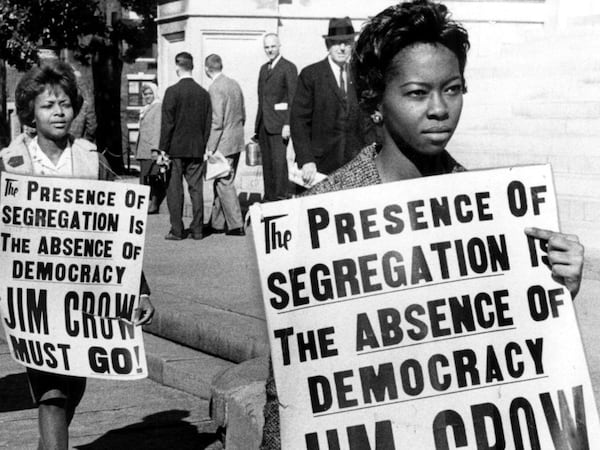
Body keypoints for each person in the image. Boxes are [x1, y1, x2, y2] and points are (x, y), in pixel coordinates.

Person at [260, 2, 585, 448]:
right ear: (375, 101)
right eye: (417, 93)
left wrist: (554, 290)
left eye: (452, 89)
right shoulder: (321, 215)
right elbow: (293, 390)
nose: (439, 108)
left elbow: (522, 363)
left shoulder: (496, 212)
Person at [0, 60, 155, 450]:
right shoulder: (9, 164)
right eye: (48, 105)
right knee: (51, 392)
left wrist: (140, 288)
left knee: (73, 385)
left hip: (84, 295)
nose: (58, 112)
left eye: (65, 104)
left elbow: (121, 229)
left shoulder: (91, 159)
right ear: (30, 113)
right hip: (33, 298)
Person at [291, 16, 375, 187]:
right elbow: (299, 121)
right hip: (320, 166)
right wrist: (306, 160)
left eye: (347, 42)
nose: (342, 48)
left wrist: (370, 153)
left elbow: (367, 117)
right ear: (328, 45)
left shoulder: (359, 75)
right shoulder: (311, 75)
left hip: (354, 163)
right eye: (337, 43)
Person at [159, 51, 212, 240]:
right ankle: (197, 229)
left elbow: (167, 124)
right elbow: (208, 124)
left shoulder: (172, 92)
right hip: (196, 148)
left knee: (175, 190)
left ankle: (177, 230)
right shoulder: (203, 94)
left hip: (175, 149)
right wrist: (203, 144)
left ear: (177, 66)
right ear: (193, 66)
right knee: (196, 189)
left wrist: (162, 149)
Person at [204, 54, 246, 236]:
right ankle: (217, 223)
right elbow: (243, 114)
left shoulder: (215, 88)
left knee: (223, 181)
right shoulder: (234, 84)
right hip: (236, 140)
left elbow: (217, 121)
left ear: (207, 69)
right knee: (223, 180)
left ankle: (236, 224)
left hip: (223, 142)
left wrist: (210, 146)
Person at [255, 33, 298, 201]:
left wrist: (288, 124)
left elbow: (293, 98)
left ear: (279, 46)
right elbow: (261, 99)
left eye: (272, 46)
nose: (270, 50)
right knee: (268, 166)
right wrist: (257, 127)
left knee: (280, 165)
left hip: (280, 126)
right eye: (266, 47)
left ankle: (280, 199)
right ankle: (269, 199)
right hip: (264, 126)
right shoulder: (263, 69)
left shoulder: (288, 67)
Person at [135, 82, 165, 214]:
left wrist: (155, 149)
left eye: (150, 93)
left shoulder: (157, 107)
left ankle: (153, 204)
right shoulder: (146, 108)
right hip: (143, 149)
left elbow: (157, 128)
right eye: (145, 94)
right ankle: (144, 204)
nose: (147, 96)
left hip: (150, 149)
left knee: (153, 177)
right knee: (145, 178)